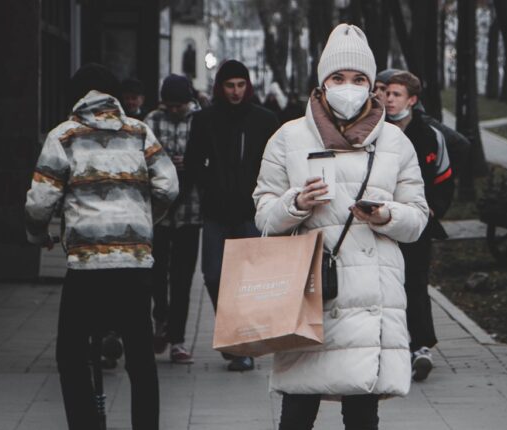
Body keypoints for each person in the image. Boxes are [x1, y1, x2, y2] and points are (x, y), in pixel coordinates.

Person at [253, 24, 429, 429]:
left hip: (369, 293)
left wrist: (387, 215)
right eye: (337, 78)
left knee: (362, 411)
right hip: (308, 292)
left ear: (371, 86)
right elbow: (264, 216)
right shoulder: (288, 138)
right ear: (322, 82)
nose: (347, 87)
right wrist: (295, 203)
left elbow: (418, 218)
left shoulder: (395, 143)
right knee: (297, 411)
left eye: (357, 79)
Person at [24, 63, 179, 430]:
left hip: (87, 266)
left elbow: (39, 201)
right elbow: (168, 186)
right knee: (141, 359)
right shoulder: (140, 132)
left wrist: (38, 234)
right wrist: (141, 220)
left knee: (71, 354)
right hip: (135, 263)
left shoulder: (64, 135)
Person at [185, 59, 280, 372]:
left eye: (241, 85)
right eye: (230, 85)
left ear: (248, 86)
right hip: (216, 211)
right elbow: (193, 162)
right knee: (213, 275)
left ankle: (242, 346)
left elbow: (276, 163)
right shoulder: (205, 120)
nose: (236, 91)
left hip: (251, 211)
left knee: (248, 282)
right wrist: (208, 184)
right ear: (220, 87)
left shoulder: (264, 120)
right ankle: (232, 334)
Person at [383, 71, 455, 382]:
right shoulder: (376, 132)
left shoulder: (429, 135)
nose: (389, 99)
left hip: (418, 224)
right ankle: (390, 347)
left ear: (412, 100)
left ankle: (421, 346)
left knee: (416, 282)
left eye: (396, 94)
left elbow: (444, 176)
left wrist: (433, 208)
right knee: (386, 286)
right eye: (386, 93)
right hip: (382, 223)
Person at [144, 74, 202, 364]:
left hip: (191, 212)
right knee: (157, 274)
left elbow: (207, 159)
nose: (176, 110)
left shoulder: (199, 120)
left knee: (182, 278)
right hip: (158, 213)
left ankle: (178, 340)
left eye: (181, 105)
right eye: (171, 105)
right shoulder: (152, 121)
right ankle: (160, 319)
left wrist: (191, 164)